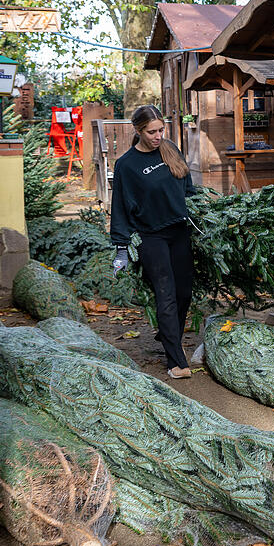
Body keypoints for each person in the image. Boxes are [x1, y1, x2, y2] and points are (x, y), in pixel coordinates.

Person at [110, 105, 195, 379]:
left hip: (179, 231)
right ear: (138, 131)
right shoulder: (127, 165)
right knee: (166, 293)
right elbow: (120, 206)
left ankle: (170, 336)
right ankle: (175, 361)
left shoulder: (170, 150)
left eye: (161, 129)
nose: (158, 136)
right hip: (151, 236)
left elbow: (189, 189)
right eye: (152, 132)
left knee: (184, 293)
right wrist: (121, 247)